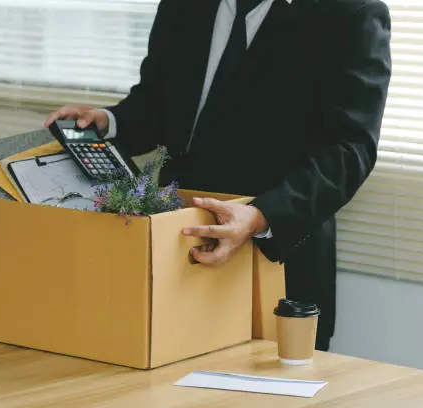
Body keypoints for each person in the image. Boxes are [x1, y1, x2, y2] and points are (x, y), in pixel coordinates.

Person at [45, 0, 392, 351]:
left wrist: (261, 216)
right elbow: (159, 104)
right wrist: (110, 121)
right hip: (179, 248)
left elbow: (350, 149)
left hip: (278, 254)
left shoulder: (350, 13)